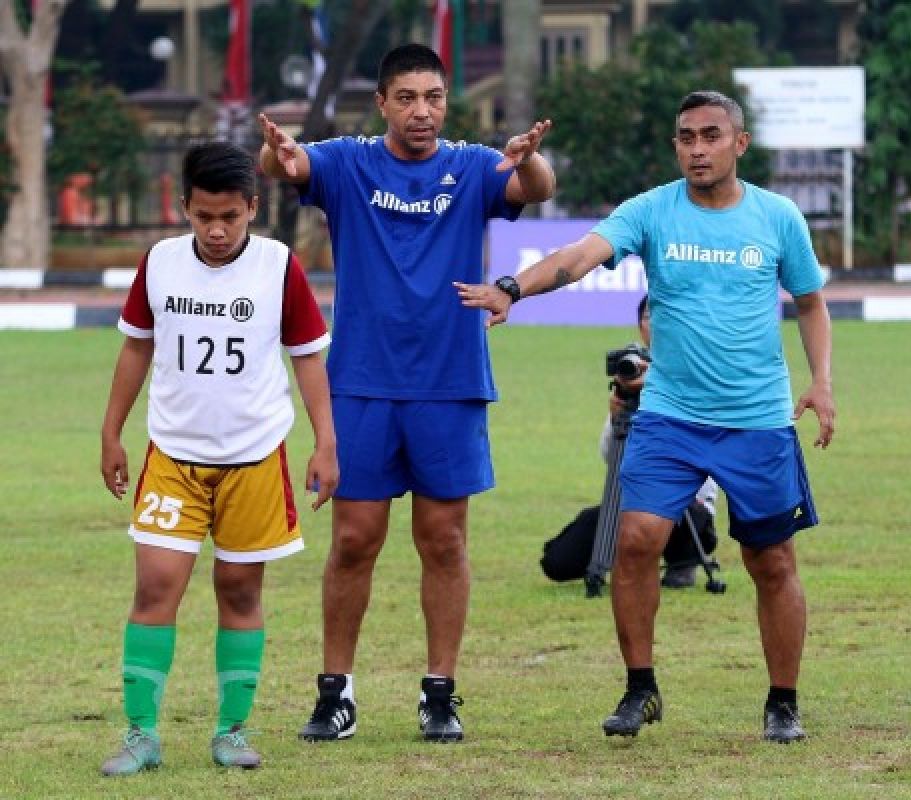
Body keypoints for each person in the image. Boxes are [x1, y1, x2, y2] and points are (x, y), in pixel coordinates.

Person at [457, 90, 834, 743]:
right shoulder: (653, 210)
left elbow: (810, 302)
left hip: (758, 420)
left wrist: (822, 381)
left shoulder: (778, 218)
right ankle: (640, 689)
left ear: (738, 144)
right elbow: (577, 257)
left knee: (771, 562)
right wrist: (514, 288)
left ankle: (783, 702)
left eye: (711, 135)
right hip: (670, 415)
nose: (697, 148)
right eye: (686, 136)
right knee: (634, 542)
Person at [258, 43, 556, 743]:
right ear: (383, 103)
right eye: (408, 98)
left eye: (434, 97)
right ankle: (336, 694)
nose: (422, 111)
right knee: (355, 541)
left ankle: (440, 693)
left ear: (445, 102)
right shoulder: (349, 160)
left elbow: (532, 189)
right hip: (362, 384)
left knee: (444, 541)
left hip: (449, 385)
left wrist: (528, 156)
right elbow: (288, 167)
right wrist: (276, 151)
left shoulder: (476, 165)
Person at [98, 142, 337, 776]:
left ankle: (232, 731)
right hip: (174, 456)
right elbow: (135, 350)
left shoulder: (278, 266)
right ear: (184, 207)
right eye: (203, 215)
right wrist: (111, 432)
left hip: (255, 457)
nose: (216, 229)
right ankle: (139, 734)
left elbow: (307, 355)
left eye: (229, 216)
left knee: (238, 589)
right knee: (155, 587)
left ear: (252, 209)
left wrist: (326, 442)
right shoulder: (161, 264)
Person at [540, 295, 719, 588]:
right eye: (649, 317)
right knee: (557, 561)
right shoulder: (632, 372)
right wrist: (617, 416)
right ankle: (611, 561)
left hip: (687, 501)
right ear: (640, 326)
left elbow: (706, 451)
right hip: (630, 501)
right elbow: (609, 455)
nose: (656, 323)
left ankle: (682, 563)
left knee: (690, 513)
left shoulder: (695, 372)